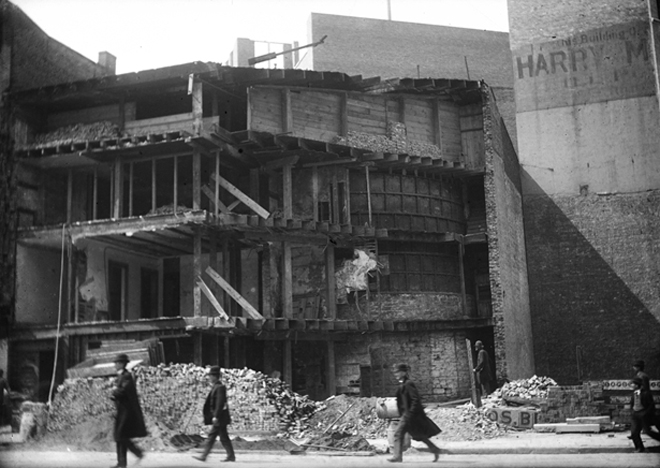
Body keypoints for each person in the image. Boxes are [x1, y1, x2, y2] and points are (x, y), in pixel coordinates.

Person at [388, 363, 441, 463]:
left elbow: (415, 399)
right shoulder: (402, 384)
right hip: (406, 415)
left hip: (409, 415)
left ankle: (397, 457)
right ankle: (435, 449)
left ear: (404, 372)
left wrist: (410, 413)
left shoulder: (408, 384)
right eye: (395, 372)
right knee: (419, 436)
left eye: (398, 372)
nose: (396, 374)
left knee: (397, 434)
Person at [110, 354, 146, 468]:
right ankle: (122, 462)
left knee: (121, 436)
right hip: (121, 411)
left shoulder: (126, 376)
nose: (115, 365)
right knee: (120, 437)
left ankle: (137, 453)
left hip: (126, 412)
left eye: (116, 363)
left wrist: (114, 390)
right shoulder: (121, 376)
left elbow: (123, 391)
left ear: (121, 364)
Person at [193, 366, 235, 463]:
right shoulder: (216, 387)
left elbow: (220, 404)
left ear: (215, 377)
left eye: (211, 376)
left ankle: (204, 456)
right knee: (223, 437)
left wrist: (216, 416)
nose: (209, 378)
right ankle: (231, 456)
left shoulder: (220, 388)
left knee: (212, 436)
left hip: (220, 417)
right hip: (220, 417)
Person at [629, 376, 660, 453]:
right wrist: (632, 412)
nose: (631, 385)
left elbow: (651, 406)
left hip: (643, 415)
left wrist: (645, 413)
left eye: (632, 384)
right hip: (635, 415)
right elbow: (632, 404)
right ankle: (639, 447)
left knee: (648, 431)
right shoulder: (633, 394)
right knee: (634, 432)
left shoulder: (646, 394)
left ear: (637, 385)